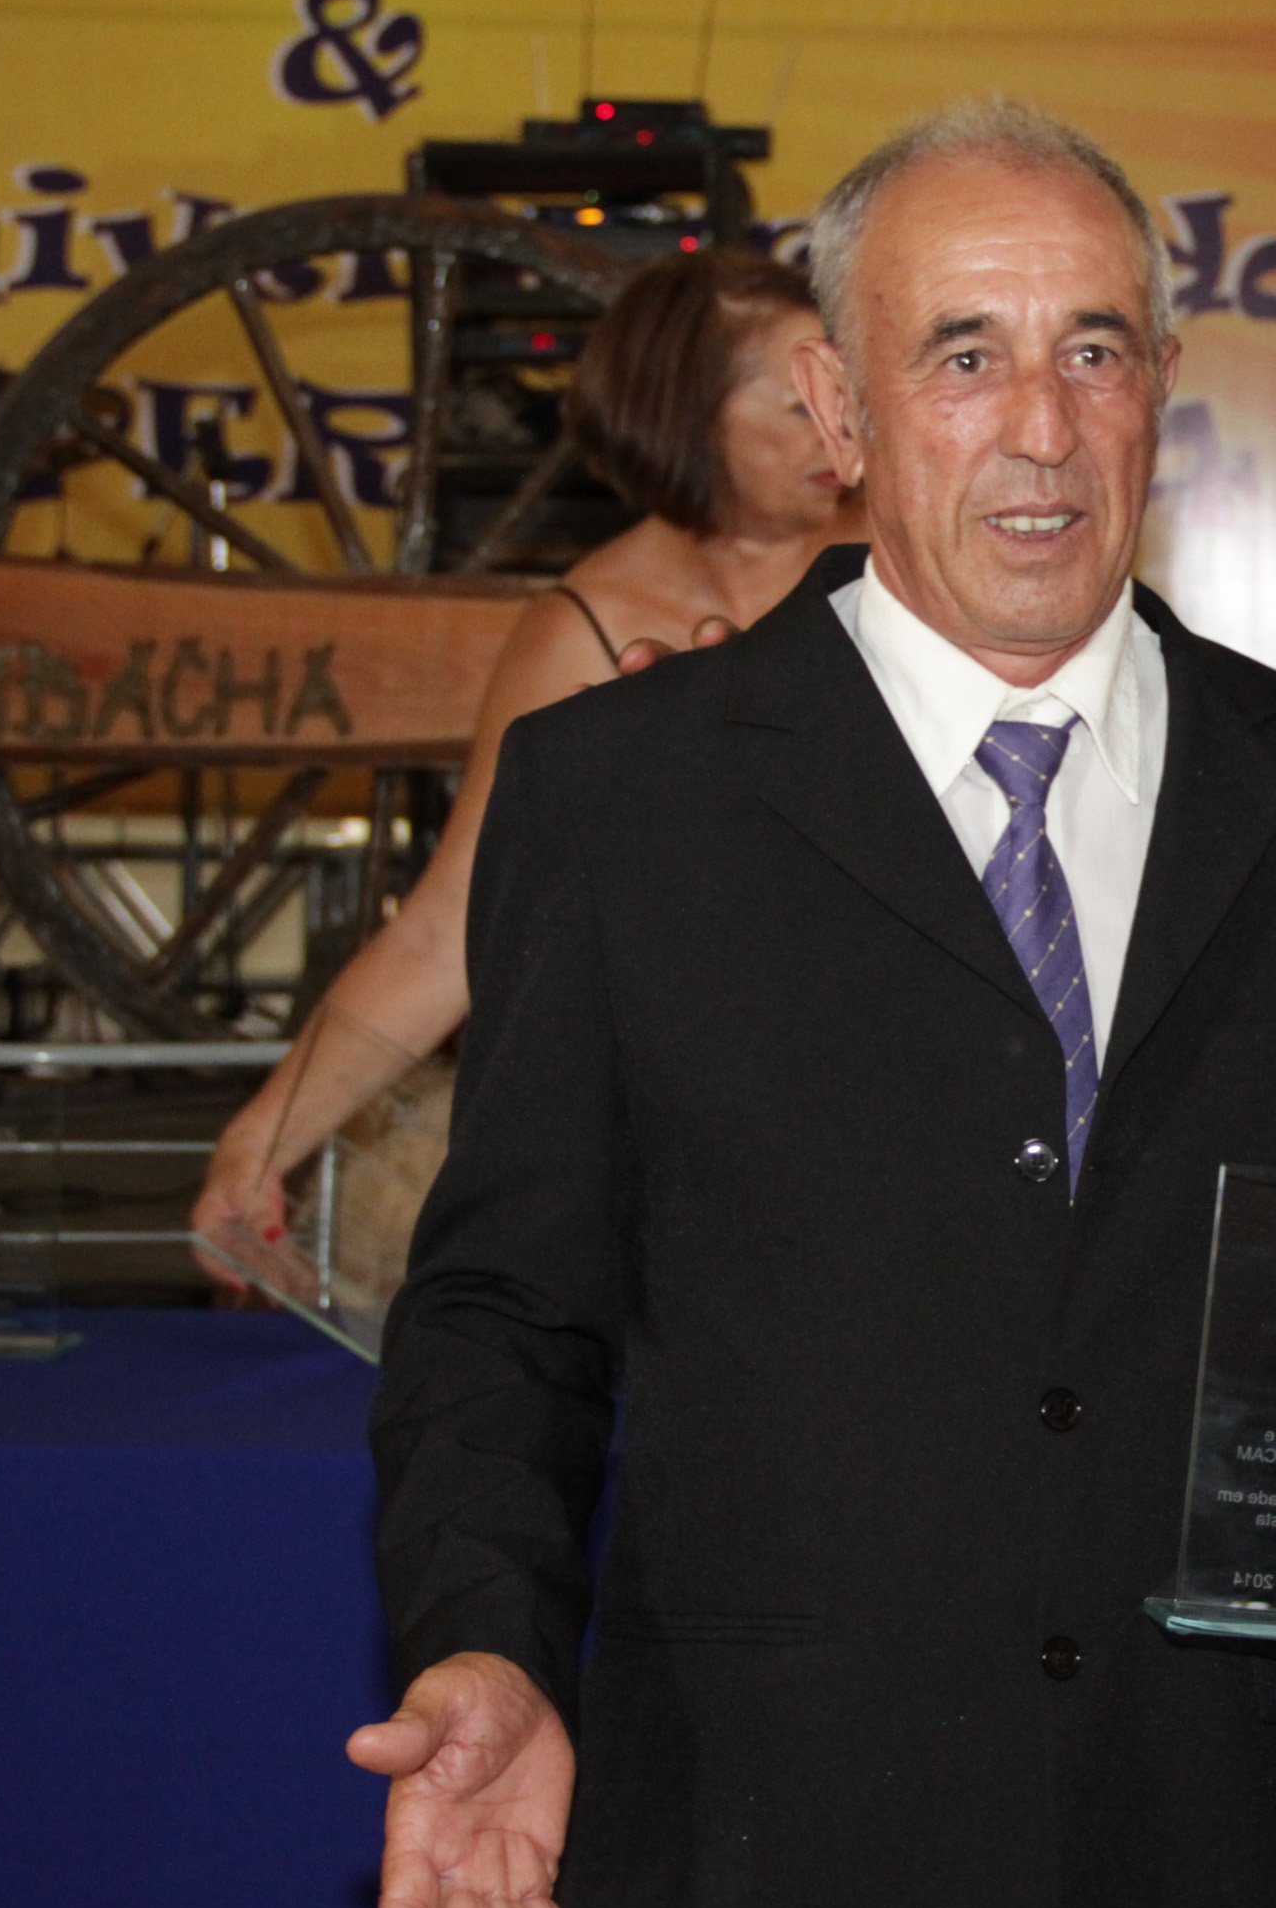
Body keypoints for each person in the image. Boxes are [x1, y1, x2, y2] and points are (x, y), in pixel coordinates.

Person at [352, 99, 1276, 1908]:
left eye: (1094, 350)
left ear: (1163, 384)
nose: (1042, 428)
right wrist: (486, 1638)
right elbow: (504, 1308)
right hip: (767, 1880)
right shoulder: (622, 799)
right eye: (964, 356)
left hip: (1212, 1881)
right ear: (838, 411)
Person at [188, 250, 850, 1259]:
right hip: (699, 1121)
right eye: (801, 406)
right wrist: (260, 1140)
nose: (840, 430)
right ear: (683, 415)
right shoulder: (583, 631)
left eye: (844, 394)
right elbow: (452, 929)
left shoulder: (900, 562)